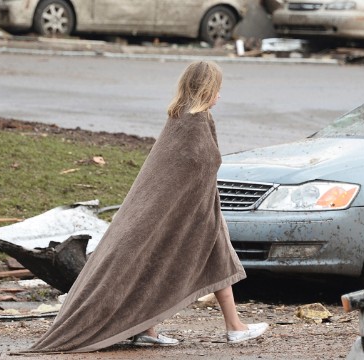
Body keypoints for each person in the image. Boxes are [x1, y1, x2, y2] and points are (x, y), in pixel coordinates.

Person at [21, 61, 268, 354]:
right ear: (207, 89)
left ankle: (230, 326)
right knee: (167, 263)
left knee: (217, 260)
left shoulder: (181, 117)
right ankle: (227, 328)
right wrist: (192, 211)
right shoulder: (193, 123)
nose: (220, 95)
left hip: (196, 210)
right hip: (186, 214)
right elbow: (191, 168)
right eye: (218, 89)